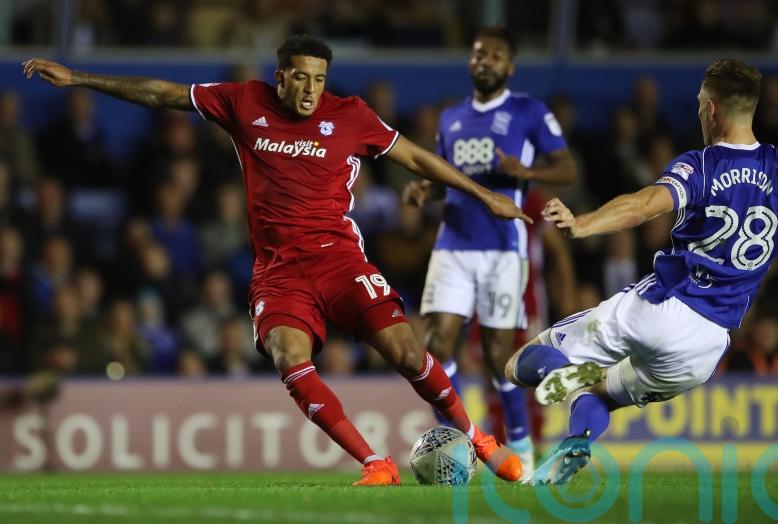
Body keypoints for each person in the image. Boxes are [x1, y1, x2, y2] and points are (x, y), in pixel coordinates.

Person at [23, 34, 530, 486]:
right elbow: (163, 94)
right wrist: (80, 78)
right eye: (302, 78)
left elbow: (417, 157)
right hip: (279, 273)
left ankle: (477, 438)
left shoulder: (350, 115)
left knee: (403, 350)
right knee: (290, 358)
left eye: (320, 79)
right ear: (280, 76)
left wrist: (485, 195)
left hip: (339, 259)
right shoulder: (244, 102)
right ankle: (375, 463)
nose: (311, 89)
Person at [505, 58, 778, 485]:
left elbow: (645, 204)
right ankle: (576, 443)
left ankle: (566, 378)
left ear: (711, 110)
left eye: (701, 103)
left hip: (663, 306)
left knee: (521, 363)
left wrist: (584, 223)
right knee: (598, 394)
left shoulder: (701, 166)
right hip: (706, 348)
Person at [402, 27, 575, 482]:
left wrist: (527, 171)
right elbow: (450, 180)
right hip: (454, 244)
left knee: (500, 356)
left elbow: (567, 166)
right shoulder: (451, 118)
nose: (485, 61)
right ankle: (454, 444)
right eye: (479, 54)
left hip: (503, 249)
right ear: (470, 62)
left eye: (496, 56)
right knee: (437, 345)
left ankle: (520, 449)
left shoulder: (529, 111)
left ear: (510, 66)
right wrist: (426, 190)